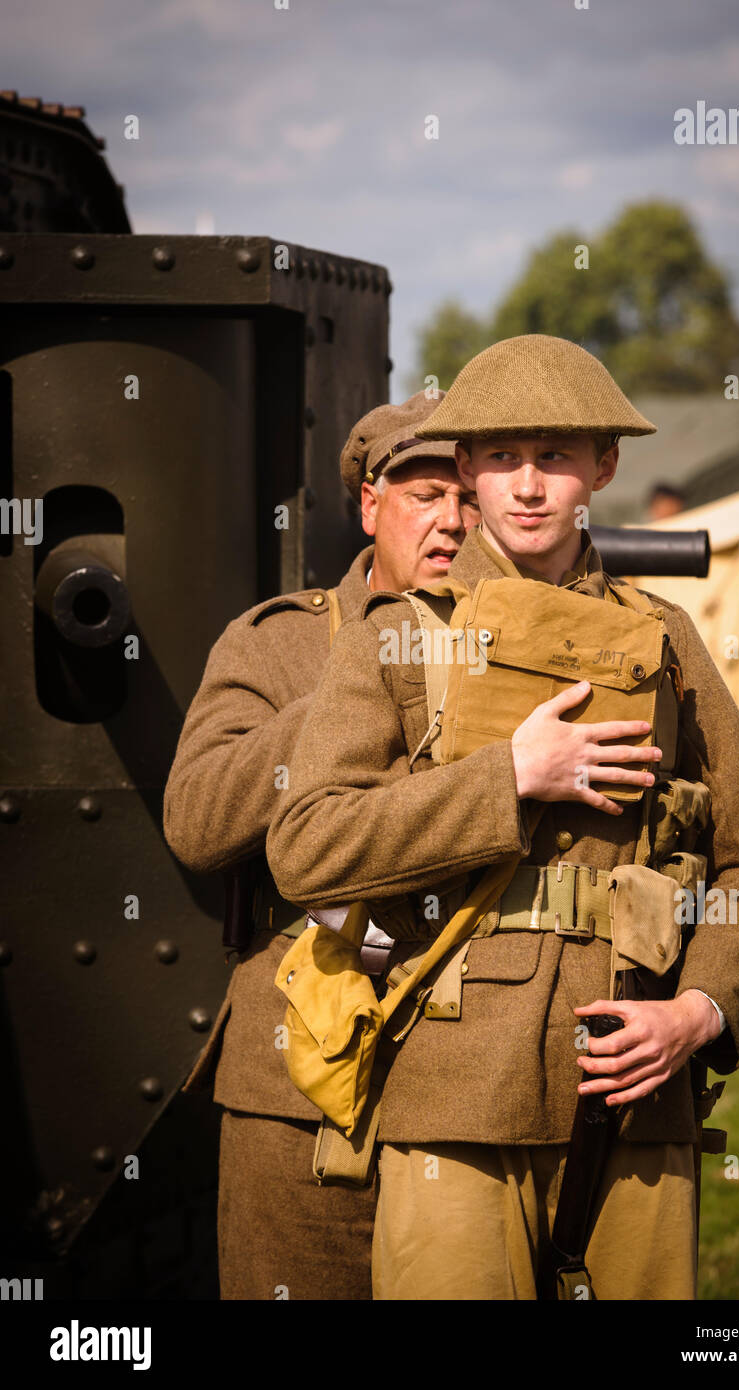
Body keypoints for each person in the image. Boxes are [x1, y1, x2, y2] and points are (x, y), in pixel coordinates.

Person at [266, 334, 739, 1301]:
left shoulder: (668, 641)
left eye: (556, 456)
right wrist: (505, 778)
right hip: (454, 1091)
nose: (529, 485)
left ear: (605, 466)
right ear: (465, 468)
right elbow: (308, 846)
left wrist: (701, 1010)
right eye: (502, 457)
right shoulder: (394, 639)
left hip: (637, 1098)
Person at [162, 390, 480, 1299]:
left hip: (469, 1068)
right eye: (426, 494)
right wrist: (347, 693)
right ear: (371, 504)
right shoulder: (280, 644)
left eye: (468, 496)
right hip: (295, 1070)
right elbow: (196, 820)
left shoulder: (526, 647)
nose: (452, 520)